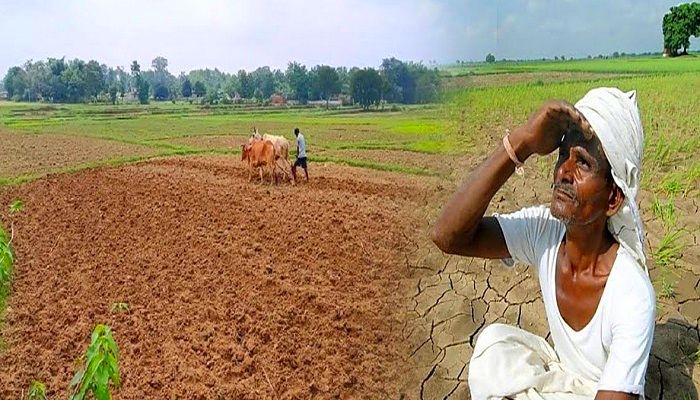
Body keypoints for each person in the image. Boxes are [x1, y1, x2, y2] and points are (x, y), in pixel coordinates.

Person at [431, 88, 655, 400]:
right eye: (564, 155)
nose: (563, 171)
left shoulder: (632, 295)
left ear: (613, 198)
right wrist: (522, 142)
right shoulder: (544, 231)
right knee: (493, 345)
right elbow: (448, 235)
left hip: (598, 394)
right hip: (562, 377)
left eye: (583, 164)